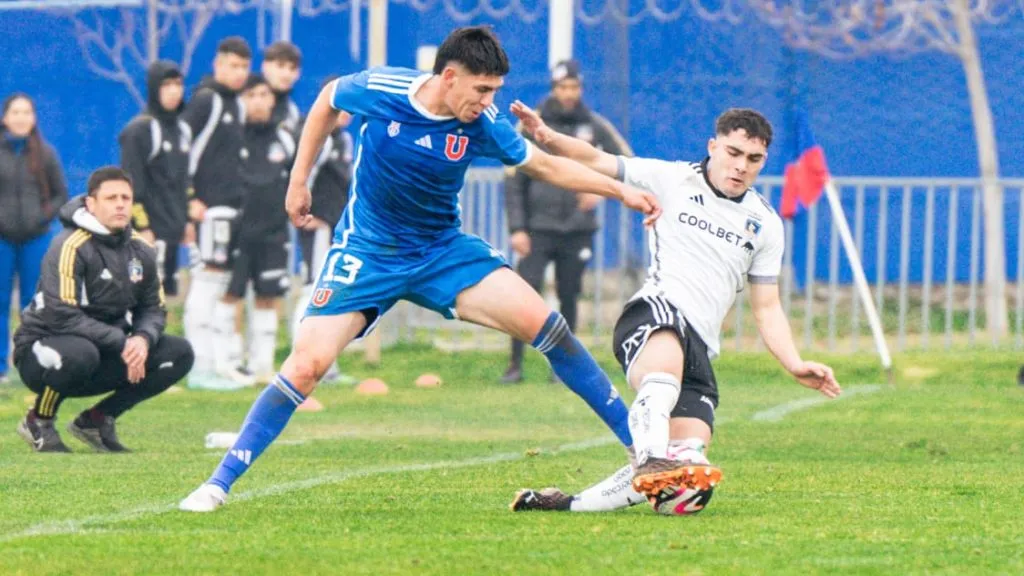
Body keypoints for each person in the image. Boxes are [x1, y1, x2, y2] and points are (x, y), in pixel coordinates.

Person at [179, 25, 662, 512]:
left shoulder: (482, 123)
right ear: (449, 77)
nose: (489, 101)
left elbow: (545, 166)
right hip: (368, 251)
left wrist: (620, 191)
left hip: (441, 251)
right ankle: (217, 484)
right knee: (306, 366)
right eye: (482, 90)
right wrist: (298, 179)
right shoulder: (383, 89)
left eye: (495, 90)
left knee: (548, 326)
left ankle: (641, 452)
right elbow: (327, 100)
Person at [507, 106, 842, 513]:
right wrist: (547, 136)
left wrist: (794, 362)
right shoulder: (672, 178)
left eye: (753, 159)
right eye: (733, 153)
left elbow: (767, 307)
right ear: (713, 146)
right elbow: (599, 160)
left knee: (686, 478)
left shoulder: (765, 224)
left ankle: (566, 504)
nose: (741, 166)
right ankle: (650, 458)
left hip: (700, 348)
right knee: (662, 382)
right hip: (654, 314)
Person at [12, 166, 194, 453]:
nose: (120, 204)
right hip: (43, 351)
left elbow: (154, 309)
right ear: (91, 204)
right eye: (111, 198)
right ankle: (39, 420)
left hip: (104, 350)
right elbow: (61, 314)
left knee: (179, 352)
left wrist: (142, 340)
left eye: (126, 197)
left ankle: (96, 420)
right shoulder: (70, 246)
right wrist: (123, 341)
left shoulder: (141, 250)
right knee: (81, 353)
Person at [501, 59, 633, 384]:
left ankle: (563, 369)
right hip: (537, 229)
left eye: (574, 87)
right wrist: (517, 228)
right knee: (524, 293)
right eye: (563, 87)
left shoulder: (594, 124)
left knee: (570, 295)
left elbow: (628, 162)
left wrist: (603, 192)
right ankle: (515, 363)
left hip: (577, 230)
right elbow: (513, 180)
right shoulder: (531, 124)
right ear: (553, 89)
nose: (569, 94)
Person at [212, 73, 296, 384]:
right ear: (242, 100)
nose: (258, 101)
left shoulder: (285, 138)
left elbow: (298, 177)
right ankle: (227, 363)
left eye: (263, 94)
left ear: (272, 99)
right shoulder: (231, 137)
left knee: (267, 296)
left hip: (274, 232)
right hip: (238, 232)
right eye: (252, 95)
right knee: (230, 295)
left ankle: (263, 366)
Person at [180, 37, 251, 386]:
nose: (239, 73)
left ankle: (219, 362)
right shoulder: (206, 100)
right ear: (218, 64)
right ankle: (199, 367)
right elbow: (183, 151)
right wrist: (188, 198)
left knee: (220, 283)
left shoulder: (236, 104)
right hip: (207, 209)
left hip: (231, 208)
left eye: (244, 67)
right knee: (205, 282)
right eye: (233, 66)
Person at [0, 93, 69, 385]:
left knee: (33, 303)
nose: (20, 118)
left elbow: (60, 194)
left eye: (26, 112)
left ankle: (30, 365)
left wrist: (43, 217)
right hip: (2, 240)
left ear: (34, 118)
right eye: (15, 112)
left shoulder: (45, 153)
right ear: (5, 118)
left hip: (35, 240)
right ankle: (1, 367)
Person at [290, 77, 353, 382]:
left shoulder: (344, 139)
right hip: (317, 226)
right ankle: (301, 358)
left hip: (335, 227)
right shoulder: (323, 139)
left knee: (328, 292)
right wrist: (307, 212)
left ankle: (324, 362)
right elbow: (304, 176)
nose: (348, 112)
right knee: (314, 289)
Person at [119, 60, 191, 297]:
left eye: (178, 84)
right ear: (153, 88)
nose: (173, 90)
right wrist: (143, 228)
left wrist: (187, 221)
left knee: (165, 302)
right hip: (147, 235)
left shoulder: (183, 130)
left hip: (173, 235)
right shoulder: (140, 130)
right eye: (166, 84)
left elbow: (184, 183)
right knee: (141, 303)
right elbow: (130, 186)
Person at [262, 41, 303, 130]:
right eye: (280, 66)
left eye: (292, 68)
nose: (286, 74)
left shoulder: (292, 112)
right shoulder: (242, 101)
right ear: (265, 66)